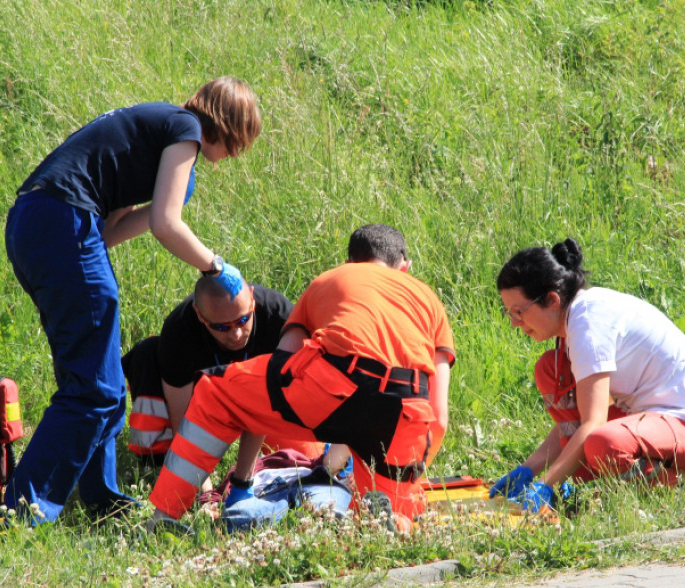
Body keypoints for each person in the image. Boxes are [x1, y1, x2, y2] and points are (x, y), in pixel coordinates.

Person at [3, 77, 260, 523]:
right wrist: (216, 266)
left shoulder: (161, 139)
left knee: (100, 381)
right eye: (238, 143)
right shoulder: (185, 128)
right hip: (63, 220)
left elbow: (110, 232)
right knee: (96, 391)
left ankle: (101, 501)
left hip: (34, 224)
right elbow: (166, 224)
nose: (235, 156)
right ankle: (21, 514)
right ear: (225, 124)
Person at [148, 224, 455, 529]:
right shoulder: (431, 302)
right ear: (405, 268)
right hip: (406, 412)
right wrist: (408, 466)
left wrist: (244, 467)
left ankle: (166, 515)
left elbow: (281, 366)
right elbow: (439, 417)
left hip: (336, 383)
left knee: (217, 391)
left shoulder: (331, 278)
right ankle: (389, 522)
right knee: (389, 514)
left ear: (350, 263)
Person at [490, 238, 685, 511]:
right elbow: (574, 424)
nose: (513, 323)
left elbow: (592, 424)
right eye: (509, 313)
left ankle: (676, 483)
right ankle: (577, 480)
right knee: (550, 369)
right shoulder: (573, 323)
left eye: (518, 311)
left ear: (552, 300)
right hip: (653, 417)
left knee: (602, 445)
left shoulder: (587, 325)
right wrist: (528, 470)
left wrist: (545, 483)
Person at [121, 274, 323, 466]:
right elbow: (180, 415)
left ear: (252, 301)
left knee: (303, 462)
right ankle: (156, 456)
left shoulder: (279, 317)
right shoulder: (179, 330)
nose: (235, 334)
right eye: (221, 327)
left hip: (266, 396)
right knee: (146, 354)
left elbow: (306, 387)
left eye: (242, 321)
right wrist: (201, 484)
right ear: (200, 315)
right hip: (201, 395)